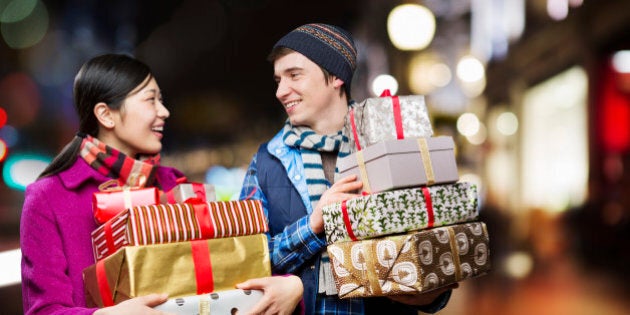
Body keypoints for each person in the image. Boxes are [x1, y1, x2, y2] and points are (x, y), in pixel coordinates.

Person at [20, 54, 303, 315]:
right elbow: (45, 310)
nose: (164, 111)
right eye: (150, 100)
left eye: (162, 100)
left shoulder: (175, 184)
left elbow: (225, 268)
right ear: (106, 115)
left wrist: (292, 286)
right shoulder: (48, 198)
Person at [240, 23, 456, 314]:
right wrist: (314, 225)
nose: (281, 91)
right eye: (278, 79)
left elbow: (433, 246)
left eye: (294, 75)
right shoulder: (266, 162)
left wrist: (433, 296)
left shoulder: (389, 145)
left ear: (336, 77)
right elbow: (246, 259)